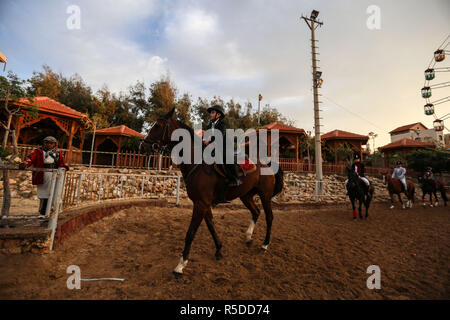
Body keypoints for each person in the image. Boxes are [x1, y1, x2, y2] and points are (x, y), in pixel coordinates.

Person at [19, 136, 69, 215]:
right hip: (43, 174)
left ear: (54, 144)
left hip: (54, 174)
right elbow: (30, 159)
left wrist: (64, 167)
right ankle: (43, 211)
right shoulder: (38, 152)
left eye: (51, 143)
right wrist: (25, 164)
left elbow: (61, 163)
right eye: (47, 142)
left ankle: (52, 211)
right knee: (44, 194)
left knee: (54, 193)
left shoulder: (58, 153)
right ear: (44, 143)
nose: (49, 144)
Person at [203, 104, 241, 187]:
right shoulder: (209, 125)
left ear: (218, 115)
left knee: (226, 157)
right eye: (211, 113)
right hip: (214, 146)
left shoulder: (222, 124)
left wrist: (209, 141)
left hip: (225, 146)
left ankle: (235, 178)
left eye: (212, 112)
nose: (210, 114)